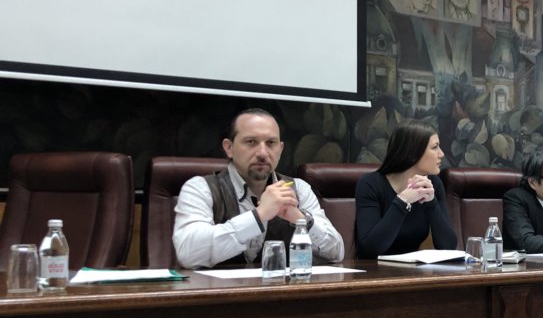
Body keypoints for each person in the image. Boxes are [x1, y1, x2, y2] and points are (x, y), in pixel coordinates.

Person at [173, 108, 344, 269]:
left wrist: (300, 219)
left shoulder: (298, 189)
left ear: (280, 149)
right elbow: (188, 253)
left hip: (281, 290)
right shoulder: (200, 188)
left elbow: (337, 253)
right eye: (251, 142)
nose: (262, 153)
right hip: (217, 290)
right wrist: (259, 215)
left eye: (271, 143)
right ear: (229, 148)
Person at [354, 120, 458, 257]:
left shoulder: (433, 184)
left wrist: (432, 203)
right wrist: (402, 201)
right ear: (413, 153)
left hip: (412, 269)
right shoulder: (370, 184)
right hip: (373, 269)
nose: (441, 154)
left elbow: (448, 246)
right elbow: (369, 249)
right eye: (434, 147)